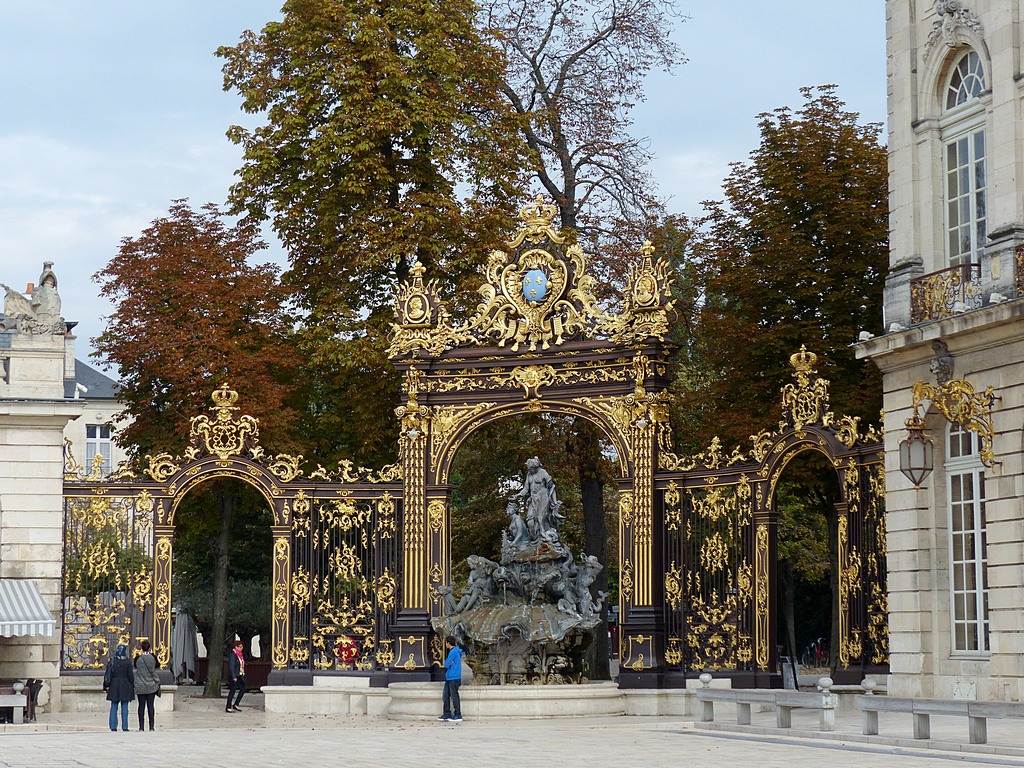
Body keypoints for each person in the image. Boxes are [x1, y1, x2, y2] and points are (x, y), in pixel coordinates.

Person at [103, 644, 135, 732]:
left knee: (114, 706)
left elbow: (108, 675)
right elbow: (130, 676)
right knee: (125, 706)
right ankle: (125, 726)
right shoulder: (128, 662)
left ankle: (113, 726)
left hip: (114, 685)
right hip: (125, 685)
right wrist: (132, 685)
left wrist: (106, 686)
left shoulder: (113, 661)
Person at [133, 639, 160, 731]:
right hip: (151, 685)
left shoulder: (138, 659)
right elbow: (157, 666)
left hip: (140, 685)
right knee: (150, 706)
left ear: (141, 648)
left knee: (141, 706)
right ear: (149, 648)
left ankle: (141, 726)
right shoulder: (153, 658)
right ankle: (151, 726)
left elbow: (135, 667)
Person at [438, 636, 463, 723]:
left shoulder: (453, 652)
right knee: (446, 695)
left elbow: (446, 664)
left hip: (453, 677)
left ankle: (457, 714)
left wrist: (448, 663)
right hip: (451, 677)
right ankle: (447, 713)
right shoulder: (455, 651)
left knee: (453, 696)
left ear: (448, 643)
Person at [225, 640, 246, 713]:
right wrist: (234, 676)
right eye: (240, 647)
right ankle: (228, 706)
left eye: (242, 646)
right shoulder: (233, 655)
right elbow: (231, 666)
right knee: (232, 691)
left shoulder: (240, 655)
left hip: (239, 674)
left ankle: (236, 704)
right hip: (234, 675)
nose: (241, 648)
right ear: (236, 647)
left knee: (243, 689)